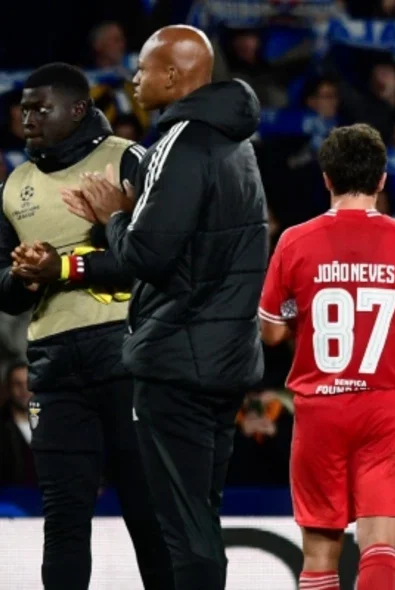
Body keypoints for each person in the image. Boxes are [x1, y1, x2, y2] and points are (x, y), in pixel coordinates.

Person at [60, 25, 268, 590]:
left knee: (182, 529)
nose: (133, 77)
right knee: (201, 518)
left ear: (174, 77)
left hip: (179, 357)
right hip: (224, 356)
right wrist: (132, 215)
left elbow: (149, 256)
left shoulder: (181, 141)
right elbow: (200, 252)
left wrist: (113, 217)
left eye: (145, 67)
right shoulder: (236, 143)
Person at [0, 63, 173, 589]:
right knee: (64, 520)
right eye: (24, 108)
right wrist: (25, 277)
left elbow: (155, 256)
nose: (26, 117)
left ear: (77, 109)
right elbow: (4, 291)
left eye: (39, 108)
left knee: (148, 515)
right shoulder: (15, 186)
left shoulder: (128, 159)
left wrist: (65, 265)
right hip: (52, 364)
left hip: (126, 353)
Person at [258, 123, 395, 590]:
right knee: (379, 546)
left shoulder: (294, 240)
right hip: (383, 407)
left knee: (320, 555)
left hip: (320, 407)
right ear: (382, 180)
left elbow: (272, 333)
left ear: (326, 179)